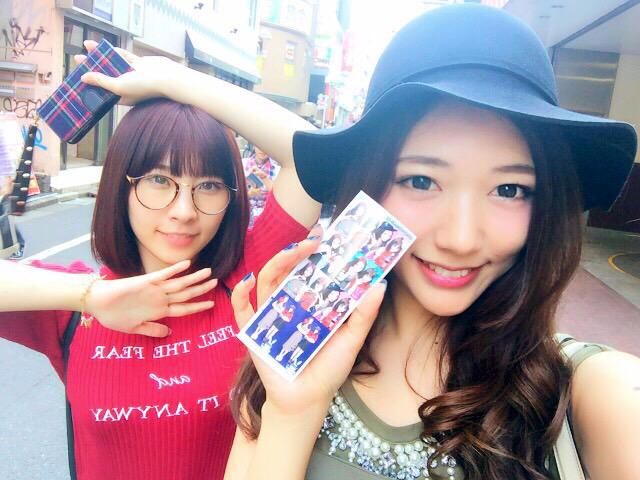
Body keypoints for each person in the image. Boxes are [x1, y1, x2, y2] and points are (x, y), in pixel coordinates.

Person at [225, 5, 640, 480]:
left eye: (509, 189)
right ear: (365, 189)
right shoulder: (297, 338)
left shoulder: (593, 392)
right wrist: (293, 411)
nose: (460, 239)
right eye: (420, 181)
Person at [0, 39, 323, 479]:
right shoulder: (74, 312)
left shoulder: (249, 280)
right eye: (158, 180)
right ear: (121, 186)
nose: (184, 211)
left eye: (208, 186)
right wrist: (91, 296)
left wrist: (175, 79)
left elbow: (314, 156)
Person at [242, 145, 280, 226]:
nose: (262, 149)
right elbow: (233, 193)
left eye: (265, 146)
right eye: (259, 145)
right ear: (253, 145)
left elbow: (279, 197)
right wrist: (248, 194)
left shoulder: (277, 170)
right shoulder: (242, 164)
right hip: (243, 214)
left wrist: (265, 178)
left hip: (267, 218)